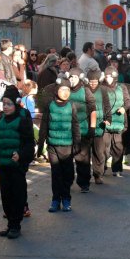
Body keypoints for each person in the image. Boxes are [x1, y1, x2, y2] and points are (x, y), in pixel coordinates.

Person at [0, 86, 35, 239]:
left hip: (17, 166)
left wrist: (21, 155)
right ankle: (10, 224)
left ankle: (15, 226)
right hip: (4, 165)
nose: (5, 107)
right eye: (4, 103)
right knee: (6, 196)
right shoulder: (1, 119)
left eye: (9, 104)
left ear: (16, 104)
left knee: (17, 195)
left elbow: (29, 143)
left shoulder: (22, 119)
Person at [37, 76, 81, 212]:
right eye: (63, 89)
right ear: (57, 90)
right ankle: (56, 199)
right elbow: (44, 125)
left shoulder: (71, 105)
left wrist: (77, 143)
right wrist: (40, 145)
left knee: (67, 174)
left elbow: (75, 125)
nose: (65, 92)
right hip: (53, 145)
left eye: (68, 90)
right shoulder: (50, 105)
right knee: (56, 174)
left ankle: (66, 199)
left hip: (67, 145)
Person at [67, 67, 97, 193]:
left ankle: (84, 182)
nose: (71, 80)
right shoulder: (65, 90)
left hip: (83, 129)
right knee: (66, 158)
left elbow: (93, 110)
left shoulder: (86, 91)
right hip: (68, 130)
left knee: (82, 158)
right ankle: (67, 182)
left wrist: (92, 127)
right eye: (70, 77)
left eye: (74, 77)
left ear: (79, 78)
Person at [102, 66, 130, 177]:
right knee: (104, 147)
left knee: (118, 147)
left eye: (110, 76)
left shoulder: (122, 87)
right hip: (106, 122)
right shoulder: (102, 88)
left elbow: (128, 101)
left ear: (115, 77)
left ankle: (117, 168)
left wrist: (124, 108)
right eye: (106, 76)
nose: (107, 78)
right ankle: (102, 168)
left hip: (119, 121)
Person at [85, 69, 111, 184]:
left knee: (99, 152)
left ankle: (97, 174)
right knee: (85, 153)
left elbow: (107, 105)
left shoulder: (103, 90)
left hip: (99, 125)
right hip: (86, 125)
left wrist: (108, 119)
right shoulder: (84, 90)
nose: (93, 84)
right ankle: (85, 176)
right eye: (91, 81)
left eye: (95, 81)